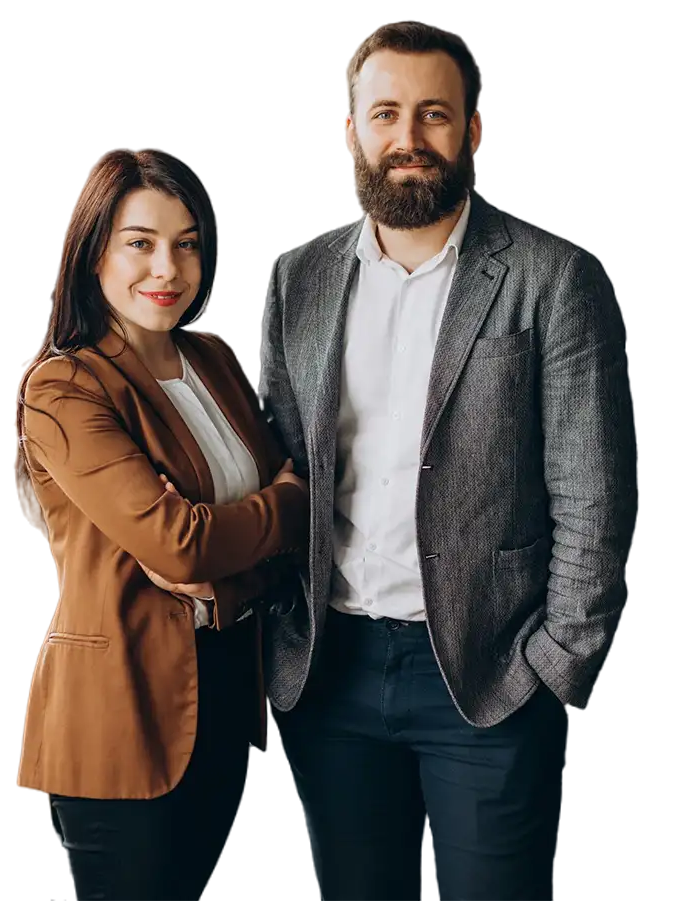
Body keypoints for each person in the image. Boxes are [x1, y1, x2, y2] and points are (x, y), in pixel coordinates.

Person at [258, 23, 636, 901]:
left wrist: (554, 666)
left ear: (471, 132)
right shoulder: (298, 278)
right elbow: (284, 466)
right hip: (330, 671)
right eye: (385, 113)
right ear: (349, 131)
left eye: (434, 114)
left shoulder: (553, 277)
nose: (408, 138)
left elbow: (597, 495)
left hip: (488, 673)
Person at [16, 148, 308, 901]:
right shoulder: (66, 385)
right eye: (140, 242)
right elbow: (179, 540)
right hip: (120, 715)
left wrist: (224, 564)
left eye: (186, 243)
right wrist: (275, 507)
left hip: (226, 697)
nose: (168, 269)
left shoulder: (209, 358)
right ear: (94, 251)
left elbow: (263, 532)